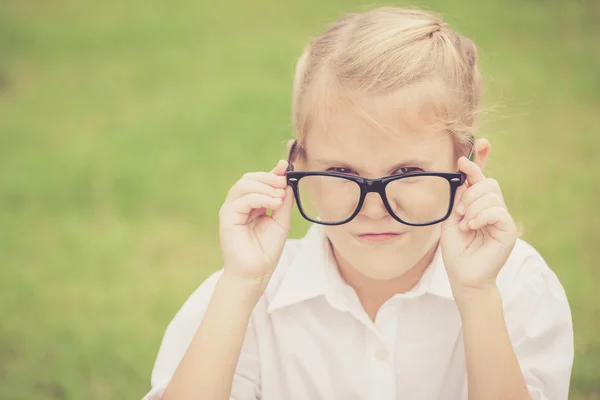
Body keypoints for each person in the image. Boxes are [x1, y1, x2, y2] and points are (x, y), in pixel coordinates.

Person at [143, 7, 573, 400]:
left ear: (467, 171)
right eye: (343, 173)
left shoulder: (516, 286)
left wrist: (478, 297)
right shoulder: (247, 297)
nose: (373, 207)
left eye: (407, 172)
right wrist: (240, 285)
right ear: (298, 166)